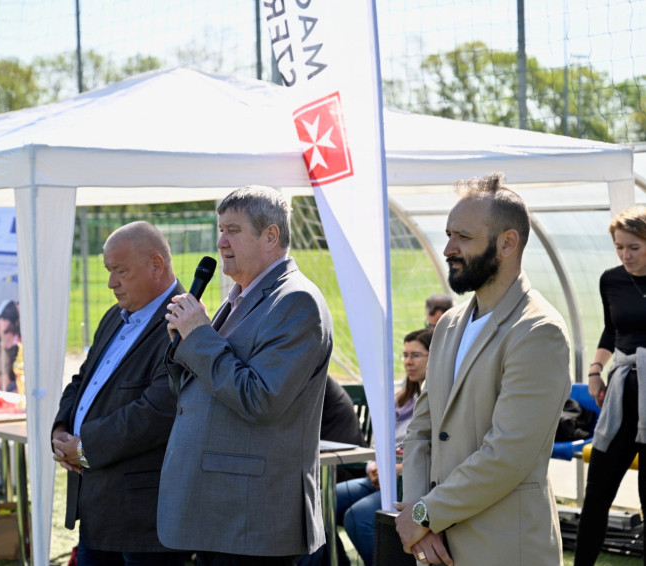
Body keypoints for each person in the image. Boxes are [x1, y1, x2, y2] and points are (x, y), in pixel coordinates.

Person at [395, 172, 571, 566]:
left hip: (505, 550)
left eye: (463, 236)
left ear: (508, 243)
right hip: (437, 547)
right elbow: (422, 430)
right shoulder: (448, 324)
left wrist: (424, 514)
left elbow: (507, 455)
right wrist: (420, 517)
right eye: (448, 234)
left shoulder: (538, 331)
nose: (448, 249)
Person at [159, 185, 333, 565]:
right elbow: (197, 391)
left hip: (253, 517)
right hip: (222, 508)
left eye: (233, 230)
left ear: (270, 236)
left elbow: (260, 399)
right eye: (220, 230)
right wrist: (184, 344)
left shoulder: (296, 301)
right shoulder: (239, 296)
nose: (221, 242)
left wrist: (199, 336)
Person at [51, 221, 186, 566]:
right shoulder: (115, 316)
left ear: (156, 265)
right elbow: (82, 379)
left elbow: (157, 412)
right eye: (109, 270)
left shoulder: (185, 323)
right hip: (99, 508)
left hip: (144, 519)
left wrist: (83, 448)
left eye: (120, 271)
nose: (111, 282)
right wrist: (61, 429)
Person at [575, 205, 646, 565]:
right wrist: (594, 371)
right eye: (619, 247)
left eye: (634, 247)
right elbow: (610, 329)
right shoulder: (611, 280)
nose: (625, 255)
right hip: (621, 397)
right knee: (597, 495)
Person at [340, 328, 433, 566]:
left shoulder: (436, 400)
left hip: (408, 481)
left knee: (357, 517)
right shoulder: (399, 399)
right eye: (405, 355)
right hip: (380, 476)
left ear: (433, 356)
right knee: (324, 500)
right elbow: (380, 443)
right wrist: (374, 466)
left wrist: (397, 470)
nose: (408, 362)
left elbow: (432, 452)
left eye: (415, 355)